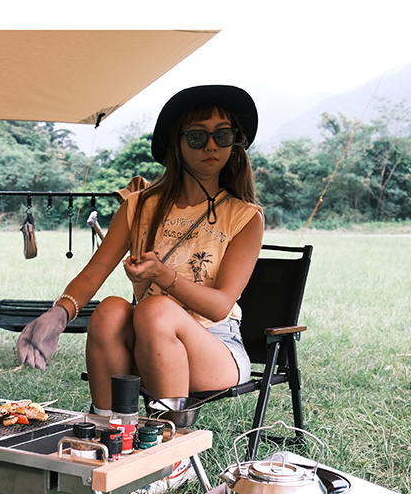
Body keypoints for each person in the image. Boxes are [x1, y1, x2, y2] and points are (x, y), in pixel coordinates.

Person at [17, 84, 264, 420]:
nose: (211, 145)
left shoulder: (245, 217)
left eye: (223, 135)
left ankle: (172, 437)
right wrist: (58, 315)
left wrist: (164, 276)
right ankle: (108, 427)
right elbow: (94, 272)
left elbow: (220, 306)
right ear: (176, 143)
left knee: (155, 309)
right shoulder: (139, 206)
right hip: (146, 346)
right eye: (197, 136)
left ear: (234, 143)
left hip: (214, 348)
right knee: (110, 310)